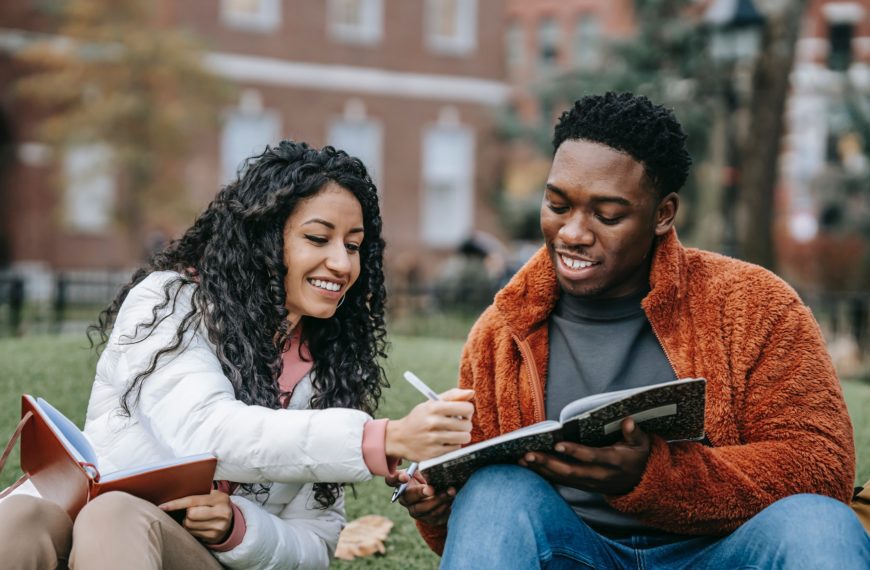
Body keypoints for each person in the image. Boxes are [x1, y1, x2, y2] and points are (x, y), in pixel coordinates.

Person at [389, 92, 870, 568]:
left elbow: (820, 466)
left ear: (663, 214)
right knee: (494, 491)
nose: (573, 233)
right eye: (557, 205)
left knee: (821, 524)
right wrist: (438, 504)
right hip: (574, 553)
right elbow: (488, 530)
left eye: (608, 214)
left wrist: (657, 477)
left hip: (721, 552)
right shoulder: (502, 330)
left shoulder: (755, 305)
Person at [0, 141, 474, 569]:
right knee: (20, 519)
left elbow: (314, 544)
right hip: (81, 522)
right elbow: (205, 431)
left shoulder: (329, 368)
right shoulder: (170, 304)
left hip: (183, 553)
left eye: (353, 245)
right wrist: (381, 439)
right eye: (317, 238)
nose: (342, 262)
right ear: (264, 239)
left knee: (115, 514)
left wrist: (237, 528)